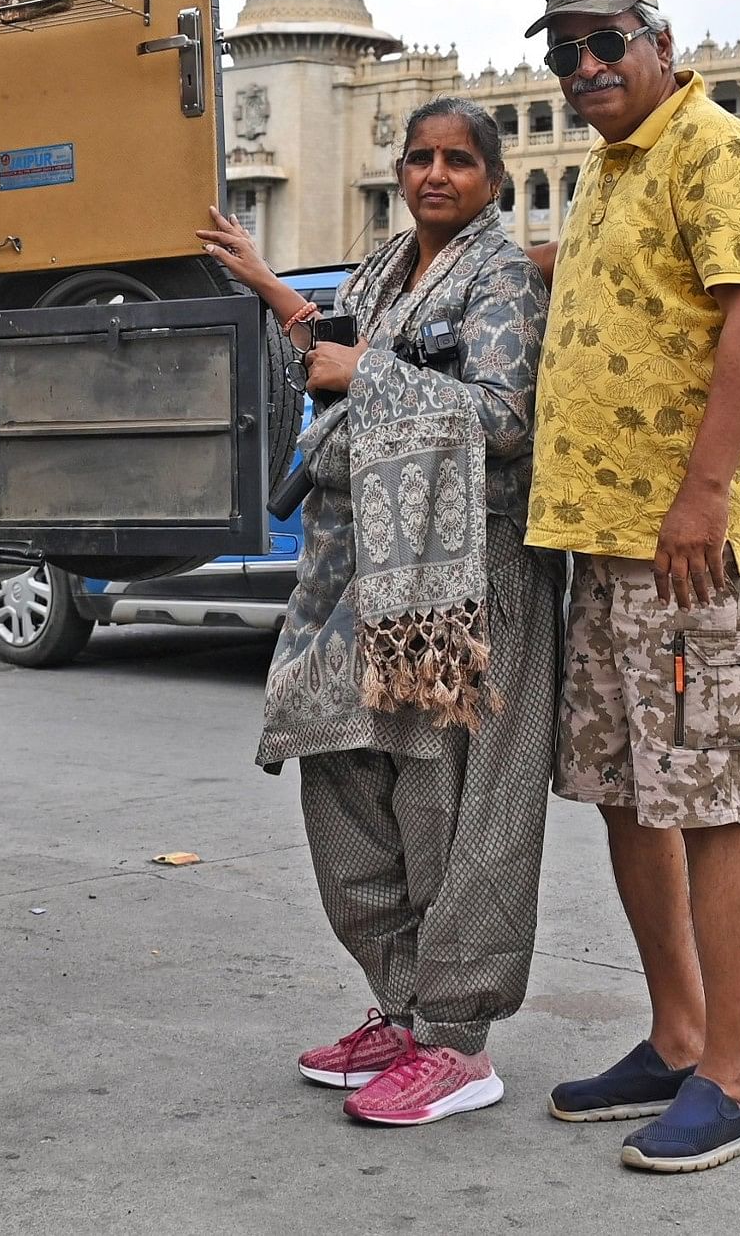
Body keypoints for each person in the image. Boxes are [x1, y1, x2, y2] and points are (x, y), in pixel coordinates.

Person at [200, 99, 559, 1130]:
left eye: (458, 160)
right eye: (420, 158)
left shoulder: (500, 276)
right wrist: (265, 281)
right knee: (344, 771)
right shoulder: (387, 266)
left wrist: (373, 375)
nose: (435, 174)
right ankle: (401, 1006)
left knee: (453, 802)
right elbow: (334, 350)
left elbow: (499, 415)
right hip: (359, 564)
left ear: (492, 176)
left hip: (464, 571)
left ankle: (457, 1041)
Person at [517, 0, 740, 1175]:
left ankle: (734, 1078)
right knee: (629, 792)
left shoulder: (712, 147)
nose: (583, 70)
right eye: (561, 52)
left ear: (659, 39)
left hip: (694, 547)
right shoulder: (608, 172)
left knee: (706, 800)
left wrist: (703, 492)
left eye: (602, 43)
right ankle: (677, 1033)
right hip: (608, 541)